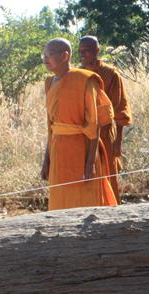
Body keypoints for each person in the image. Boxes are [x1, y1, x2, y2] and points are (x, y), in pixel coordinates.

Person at [41, 38, 118, 211]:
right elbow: (51, 126)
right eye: (43, 55)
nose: (45, 59)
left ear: (65, 56)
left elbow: (94, 124)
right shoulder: (49, 83)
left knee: (86, 201)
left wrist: (90, 162)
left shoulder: (85, 80)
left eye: (49, 55)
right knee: (60, 200)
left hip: (82, 149)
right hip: (58, 151)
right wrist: (47, 159)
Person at [78, 35, 132, 202]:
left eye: (86, 50)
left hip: (105, 133)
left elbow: (120, 110)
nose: (82, 54)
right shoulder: (76, 75)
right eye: (80, 51)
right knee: (85, 174)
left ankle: (112, 210)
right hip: (82, 134)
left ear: (97, 51)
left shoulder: (110, 74)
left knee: (108, 173)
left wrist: (118, 142)